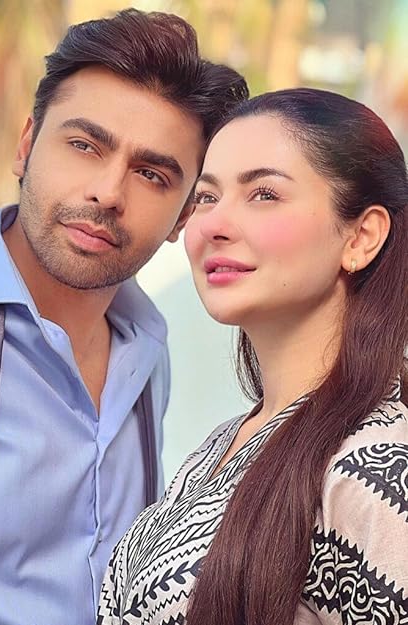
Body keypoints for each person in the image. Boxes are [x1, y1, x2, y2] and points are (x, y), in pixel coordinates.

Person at [0, 9, 248, 625]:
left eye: (151, 174)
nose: (108, 193)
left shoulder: (147, 354)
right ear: (26, 145)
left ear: (183, 217)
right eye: (85, 145)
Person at [97, 88, 408, 625]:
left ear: (361, 236)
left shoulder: (376, 467)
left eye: (264, 194)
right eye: (206, 197)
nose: (214, 224)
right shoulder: (222, 444)